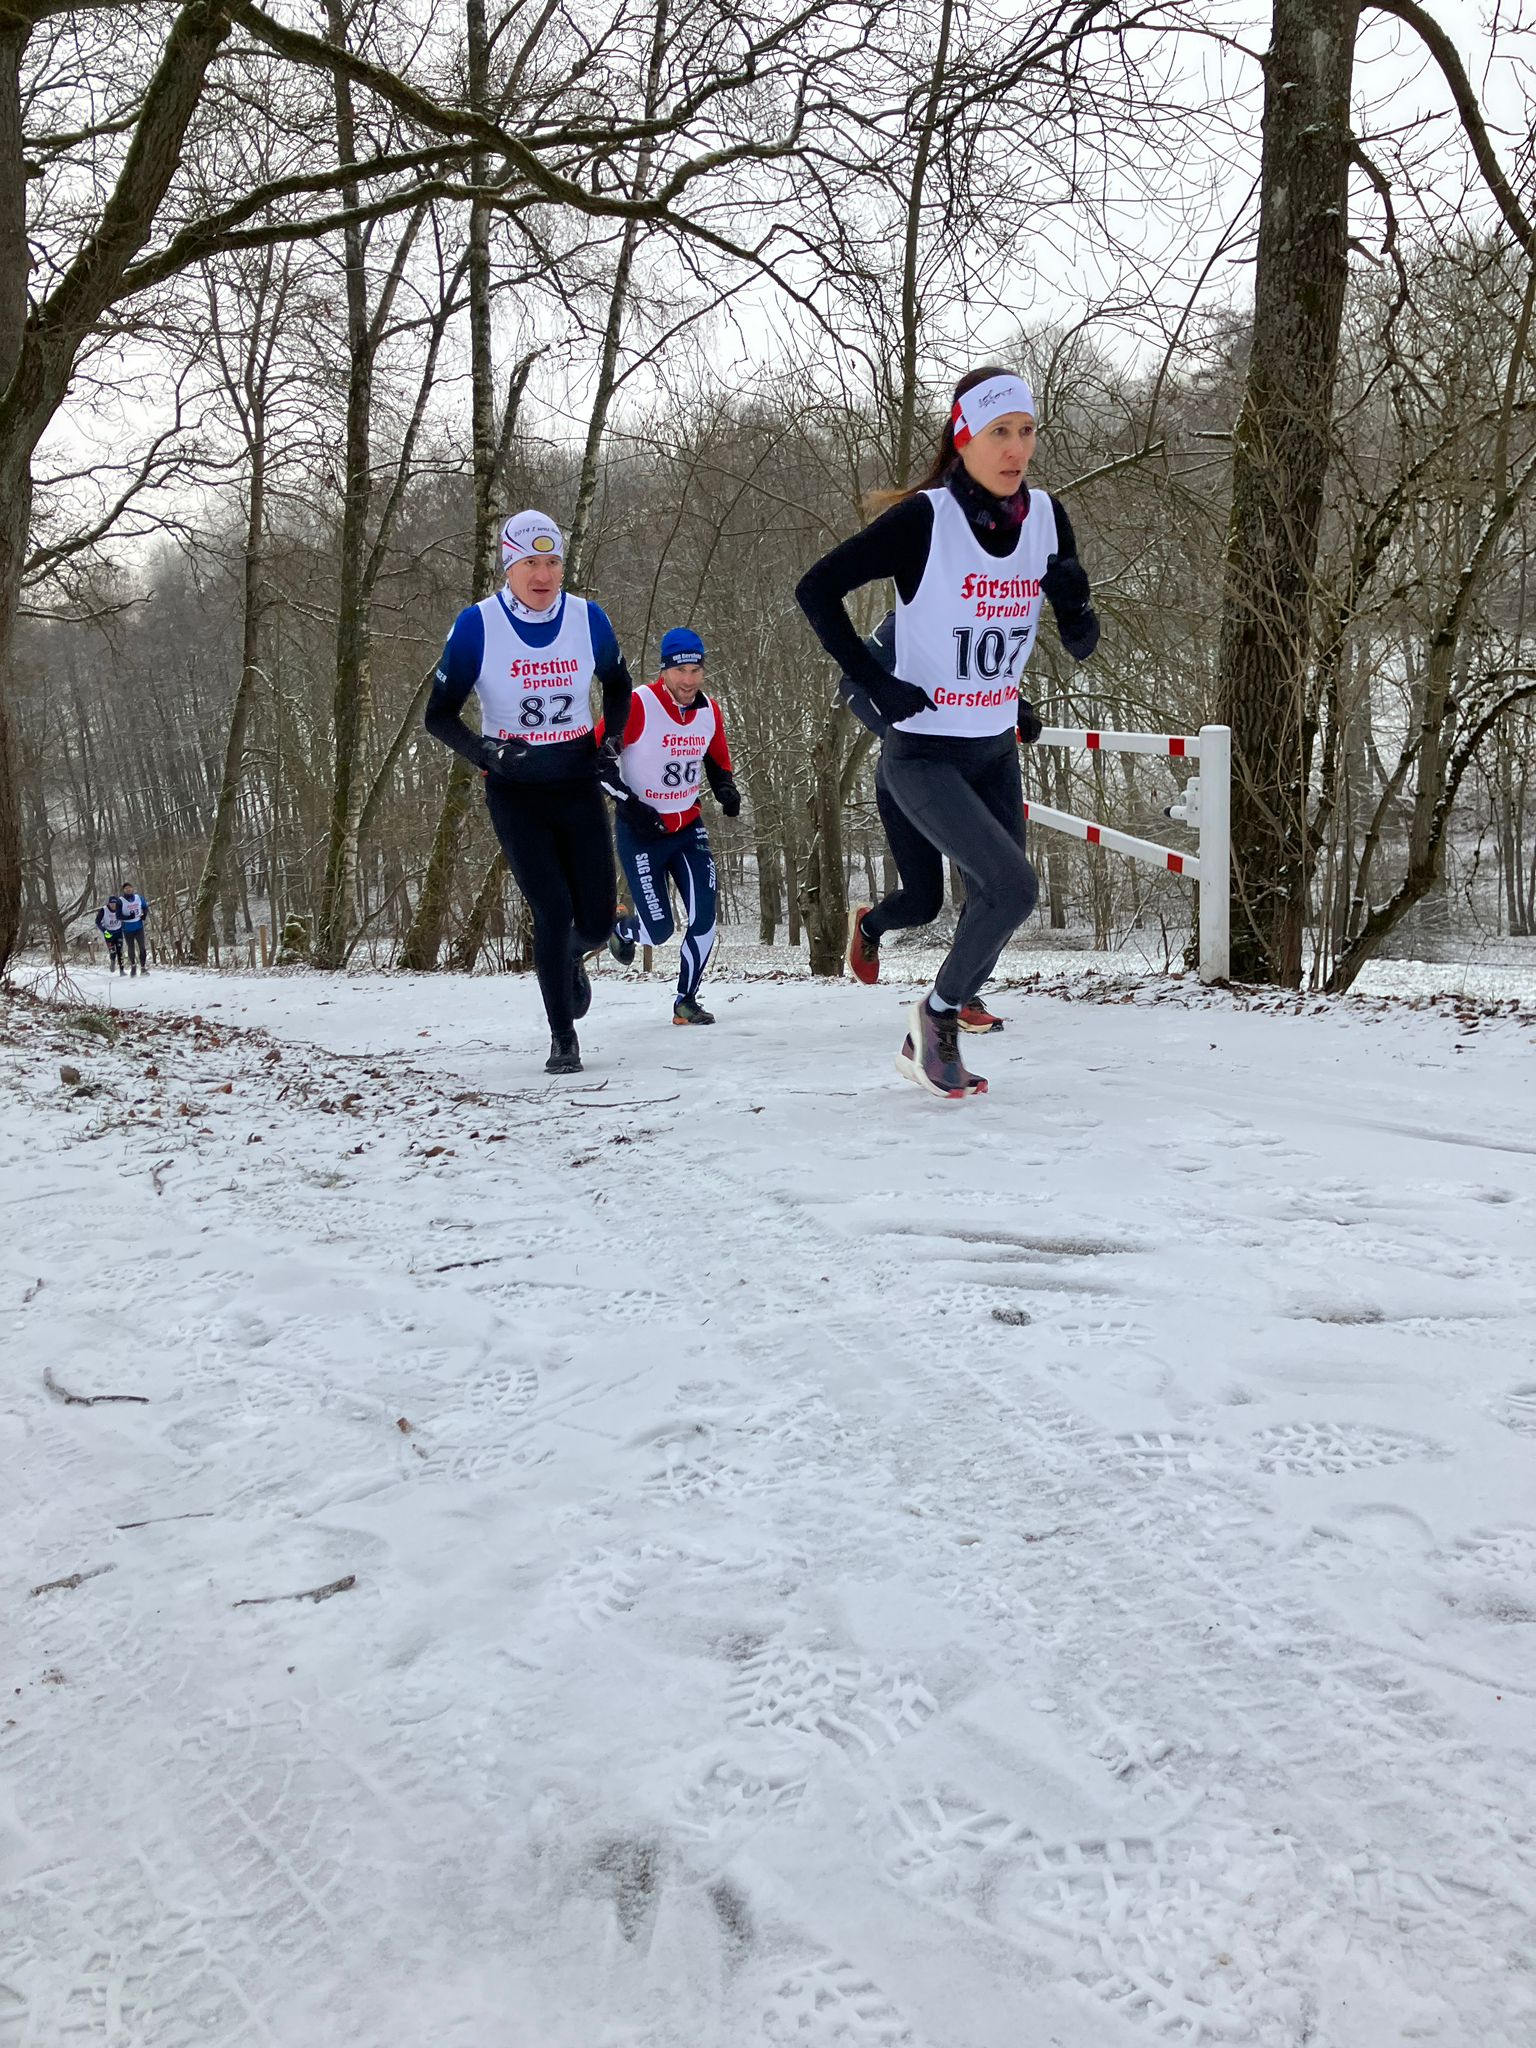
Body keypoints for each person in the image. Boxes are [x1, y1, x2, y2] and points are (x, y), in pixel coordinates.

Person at [796, 366, 1099, 1098]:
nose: (1016, 449)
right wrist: (874, 682)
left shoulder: (1047, 517)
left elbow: (1082, 644)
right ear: (963, 439)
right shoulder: (925, 521)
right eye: (999, 433)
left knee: (1000, 899)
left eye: (1026, 431)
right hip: (924, 754)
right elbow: (816, 589)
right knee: (1013, 888)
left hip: (994, 751)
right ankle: (934, 1020)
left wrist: (1076, 606)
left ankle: (940, 1019)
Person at [424, 509, 633, 1074]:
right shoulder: (477, 625)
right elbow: (438, 715)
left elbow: (618, 686)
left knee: (595, 921)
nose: (543, 576)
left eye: (553, 562)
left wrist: (611, 742)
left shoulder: (588, 618)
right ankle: (563, 1036)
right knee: (552, 911)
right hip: (516, 790)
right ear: (508, 567)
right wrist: (485, 753)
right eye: (530, 564)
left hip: (577, 781)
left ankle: (569, 959)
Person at [842, 611, 1037, 1035]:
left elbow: (988, 677)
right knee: (923, 902)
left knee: (998, 887)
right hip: (913, 776)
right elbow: (853, 685)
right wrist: (903, 731)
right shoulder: (910, 616)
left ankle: (958, 997)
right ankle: (870, 925)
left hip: (982, 771)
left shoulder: (998, 607)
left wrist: (1018, 708)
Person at [596, 627, 741, 1025]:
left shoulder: (709, 710)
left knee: (705, 918)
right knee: (658, 930)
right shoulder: (638, 705)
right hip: (642, 833)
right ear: (664, 671)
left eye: (696, 670)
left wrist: (726, 788)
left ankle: (685, 1001)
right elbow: (598, 761)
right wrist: (631, 805)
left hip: (688, 829)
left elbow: (716, 757)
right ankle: (622, 929)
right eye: (680, 671)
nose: (689, 681)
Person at [118, 886, 149, 975]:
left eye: (130, 888)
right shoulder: (120, 901)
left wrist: (144, 914)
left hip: (139, 927)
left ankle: (143, 967)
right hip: (127, 929)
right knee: (131, 948)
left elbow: (145, 906)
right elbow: (118, 916)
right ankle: (133, 966)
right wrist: (128, 917)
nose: (128, 890)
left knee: (142, 947)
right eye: (126, 889)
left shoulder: (138, 898)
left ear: (132, 889)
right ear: (123, 890)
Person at [95, 895, 125, 973]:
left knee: (120, 951)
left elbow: (125, 917)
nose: (113, 905)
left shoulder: (120, 908)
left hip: (118, 932)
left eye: (114, 904)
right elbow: (97, 922)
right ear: (109, 903)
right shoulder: (104, 910)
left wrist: (123, 927)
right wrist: (104, 930)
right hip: (108, 933)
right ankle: (112, 961)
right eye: (111, 904)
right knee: (112, 951)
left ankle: (122, 970)